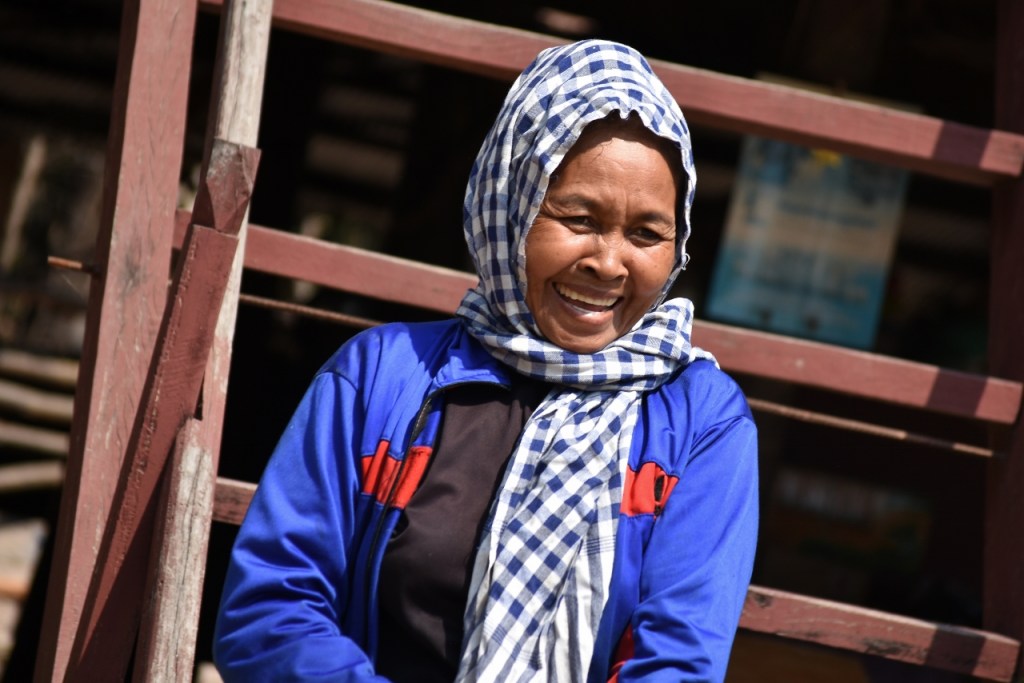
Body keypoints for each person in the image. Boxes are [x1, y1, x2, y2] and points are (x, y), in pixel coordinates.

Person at [213, 39, 758, 683]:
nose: (609, 263)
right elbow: (270, 613)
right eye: (578, 218)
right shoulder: (378, 378)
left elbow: (678, 663)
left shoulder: (702, 422)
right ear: (509, 207)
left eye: (646, 233)